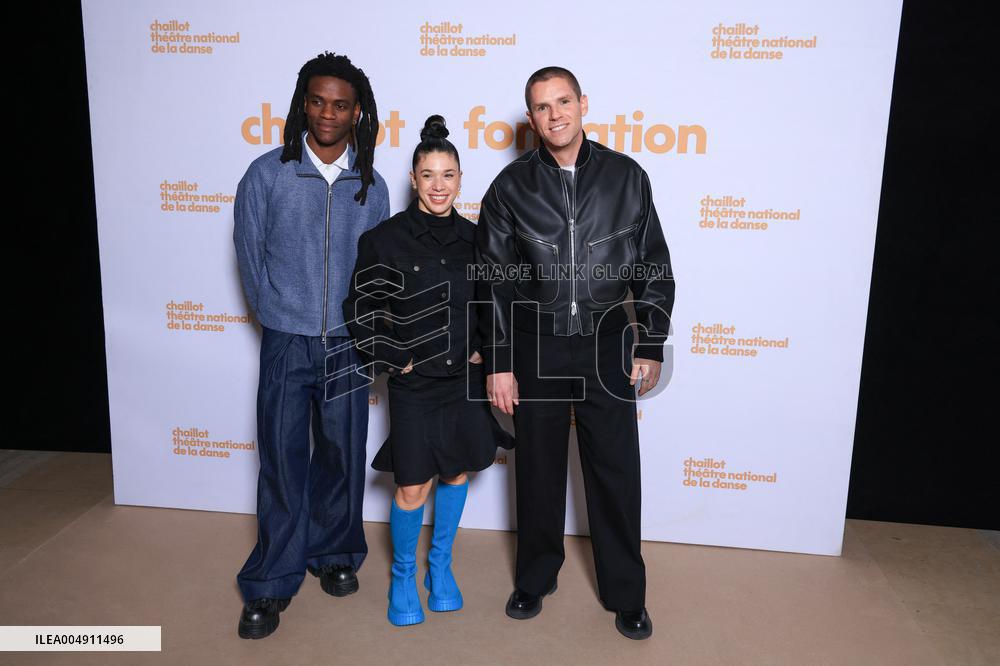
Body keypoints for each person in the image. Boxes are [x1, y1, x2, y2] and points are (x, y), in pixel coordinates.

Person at [474, 66, 675, 640]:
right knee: (536, 469)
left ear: (583, 104)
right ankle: (535, 578)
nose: (555, 114)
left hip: (607, 344)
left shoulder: (627, 177)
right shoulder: (510, 187)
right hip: (535, 346)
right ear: (530, 116)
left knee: (614, 471)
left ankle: (626, 593)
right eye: (541, 106)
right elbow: (494, 283)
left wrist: (652, 341)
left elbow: (653, 267)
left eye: (563, 101)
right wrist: (501, 361)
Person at [231, 52, 389, 639]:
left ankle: (335, 554)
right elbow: (250, 256)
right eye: (318, 101)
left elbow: (378, 268)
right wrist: (278, 315)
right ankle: (271, 580)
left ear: (357, 113)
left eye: (340, 104)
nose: (327, 113)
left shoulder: (369, 186)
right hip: (287, 339)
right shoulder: (266, 174)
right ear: (304, 104)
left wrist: (364, 325)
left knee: (343, 454)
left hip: (349, 341)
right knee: (281, 457)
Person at [343, 115, 514, 627]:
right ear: (414, 179)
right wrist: (399, 358)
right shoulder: (384, 239)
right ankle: (401, 577)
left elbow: (496, 303)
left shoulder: (480, 238)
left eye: (448, 175)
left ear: (461, 180)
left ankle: (441, 567)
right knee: (413, 484)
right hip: (414, 383)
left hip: (462, 383)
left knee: (456, 471)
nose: (438, 186)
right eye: (428, 175)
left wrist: (486, 350)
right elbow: (361, 309)